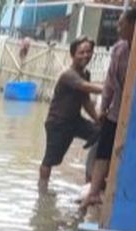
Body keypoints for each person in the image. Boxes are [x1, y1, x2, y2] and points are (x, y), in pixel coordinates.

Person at [81, 7, 136, 213]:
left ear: (134, 25)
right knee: (103, 151)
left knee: (128, 153)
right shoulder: (119, 49)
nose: (118, 26)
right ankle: (94, 192)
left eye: (122, 23)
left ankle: (118, 194)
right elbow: (109, 84)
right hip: (116, 112)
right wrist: (103, 109)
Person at [39, 37, 103, 193]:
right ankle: (42, 192)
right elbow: (84, 87)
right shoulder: (68, 75)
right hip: (58, 123)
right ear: (73, 54)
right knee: (50, 160)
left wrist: (97, 120)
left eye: (88, 52)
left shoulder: (85, 73)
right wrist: (109, 88)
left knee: (101, 134)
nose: (85, 55)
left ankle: (91, 180)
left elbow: (86, 101)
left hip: (75, 121)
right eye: (81, 52)